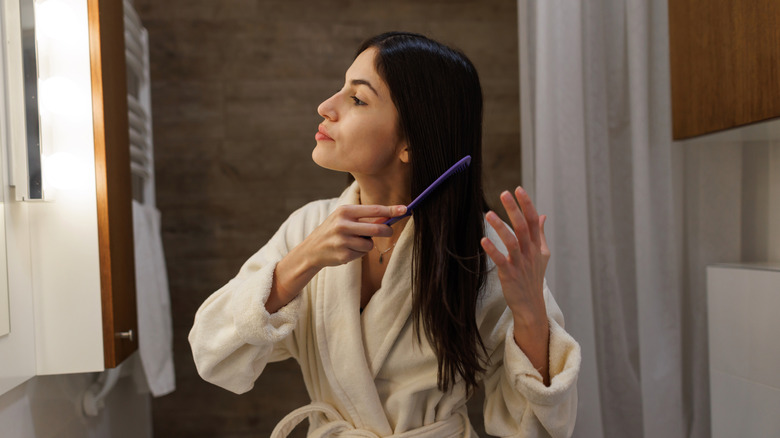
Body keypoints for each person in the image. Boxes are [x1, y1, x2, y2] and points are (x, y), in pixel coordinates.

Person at [189, 31, 580, 437]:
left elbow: (535, 429)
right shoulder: (308, 229)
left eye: (357, 99)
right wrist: (299, 264)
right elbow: (212, 354)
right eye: (341, 90)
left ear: (411, 140)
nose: (325, 107)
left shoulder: (479, 249)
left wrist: (531, 314)